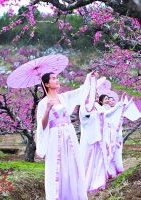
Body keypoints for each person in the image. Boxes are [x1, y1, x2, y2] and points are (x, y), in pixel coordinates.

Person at [35, 71, 97, 200]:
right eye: (53, 78)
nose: (57, 80)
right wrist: (47, 109)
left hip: (69, 134)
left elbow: (79, 92)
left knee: (72, 163)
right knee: (56, 166)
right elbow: (42, 126)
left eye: (56, 78)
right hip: (54, 136)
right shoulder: (43, 103)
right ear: (46, 84)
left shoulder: (64, 98)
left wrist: (89, 78)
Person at [79, 91, 126, 192]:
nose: (95, 97)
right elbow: (85, 119)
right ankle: (89, 181)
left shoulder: (98, 107)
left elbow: (107, 114)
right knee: (90, 160)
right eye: (94, 95)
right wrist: (92, 115)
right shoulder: (86, 107)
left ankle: (98, 181)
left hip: (101, 138)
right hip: (91, 138)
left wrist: (120, 105)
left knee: (100, 159)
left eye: (96, 95)